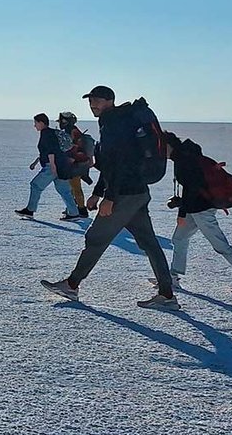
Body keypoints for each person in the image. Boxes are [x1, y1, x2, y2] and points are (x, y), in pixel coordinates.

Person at [41, 86, 179, 310]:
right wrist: (97, 192)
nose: (92, 104)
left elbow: (120, 163)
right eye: (90, 101)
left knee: (96, 238)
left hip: (124, 194)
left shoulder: (114, 123)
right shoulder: (116, 121)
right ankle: (166, 295)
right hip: (137, 191)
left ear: (110, 100)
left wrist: (110, 197)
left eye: (97, 100)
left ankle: (72, 284)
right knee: (149, 242)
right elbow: (111, 162)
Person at [164, 132, 232, 295]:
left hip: (202, 210)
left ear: (167, 146)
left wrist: (181, 213)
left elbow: (193, 188)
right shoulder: (186, 155)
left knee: (220, 245)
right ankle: (173, 277)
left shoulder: (184, 159)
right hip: (195, 208)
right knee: (179, 239)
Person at [15, 113, 81, 221]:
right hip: (60, 165)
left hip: (52, 166)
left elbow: (51, 151)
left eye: (35, 123)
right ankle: (74, 213)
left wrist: (53, 167)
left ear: (41, 123)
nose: (34, 125)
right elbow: (47, 151)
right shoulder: (51, 133)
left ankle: (30, 210)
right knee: (64, 190)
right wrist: (36, 162)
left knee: (35, 185)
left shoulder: (46, 134)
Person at [59, 112, 97, 215]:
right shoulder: (69, 130)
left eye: (63, 121)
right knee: (71, 186)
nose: (62, 123)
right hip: (75, 161)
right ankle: (73, 208)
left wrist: (71, 158)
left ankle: (81, 210)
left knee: (75, 186)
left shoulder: (72, 131)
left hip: (76, 162)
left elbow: (76, 146)